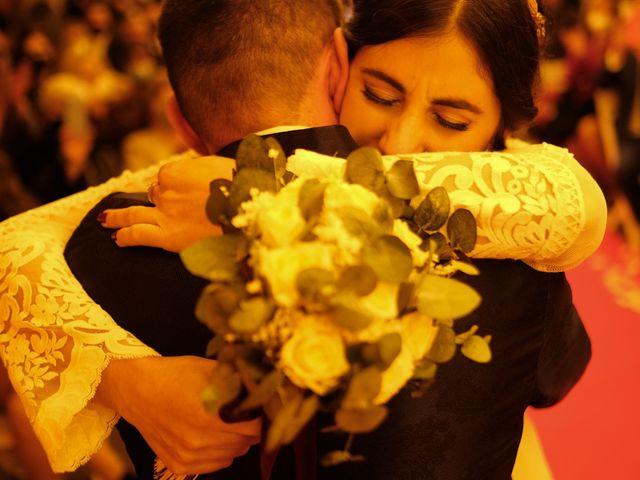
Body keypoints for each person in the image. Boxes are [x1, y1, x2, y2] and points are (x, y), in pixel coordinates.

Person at [0, 0, 602, 478]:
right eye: (380, 94)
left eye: (451, 121)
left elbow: (581, 209)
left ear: (505, 129)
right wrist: (125, 379)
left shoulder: (521, 216)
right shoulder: (188, 193)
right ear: (340, 65)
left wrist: (272, 191)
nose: (397, 143)